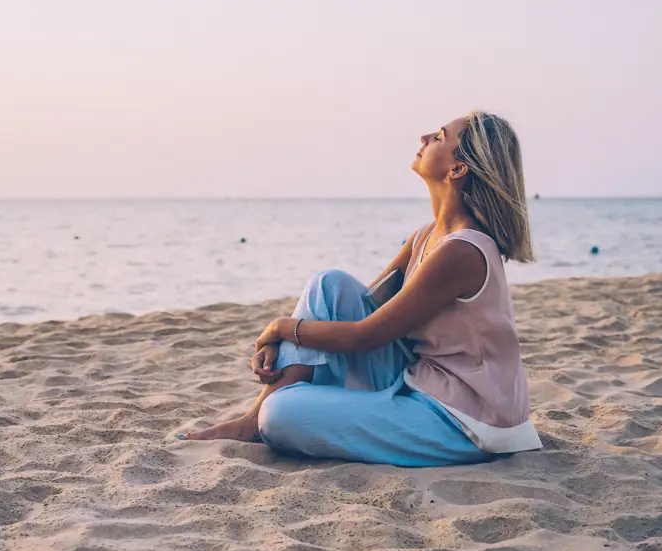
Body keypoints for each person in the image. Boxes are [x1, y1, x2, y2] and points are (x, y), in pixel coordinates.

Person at [177, 111, 542, 466]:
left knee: (280, 414)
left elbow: (362, 337)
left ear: (457, 169)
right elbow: (356, 307)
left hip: (466, 420)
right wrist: (288, 341)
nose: (425, 138)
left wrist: (279, 328)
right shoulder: (426, 237)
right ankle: (251, 419)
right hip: (422, 382)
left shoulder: (462, 251)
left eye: (440, 137)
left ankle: (264, 415)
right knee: (328, 285)